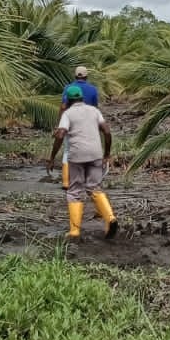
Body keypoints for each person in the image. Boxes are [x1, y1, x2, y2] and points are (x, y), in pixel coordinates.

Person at [46, 84, 117, 239]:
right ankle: (110, 218)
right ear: (81, 98)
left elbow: (60, 135)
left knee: (74, 191)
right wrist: (106, 154)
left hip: (77, 156)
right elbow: (107, 131)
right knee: (94, 187)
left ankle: (75, 230)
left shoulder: (68, 114)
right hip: (96, 153)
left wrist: (52, 158)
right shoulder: (94, 111)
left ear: (69, 100)